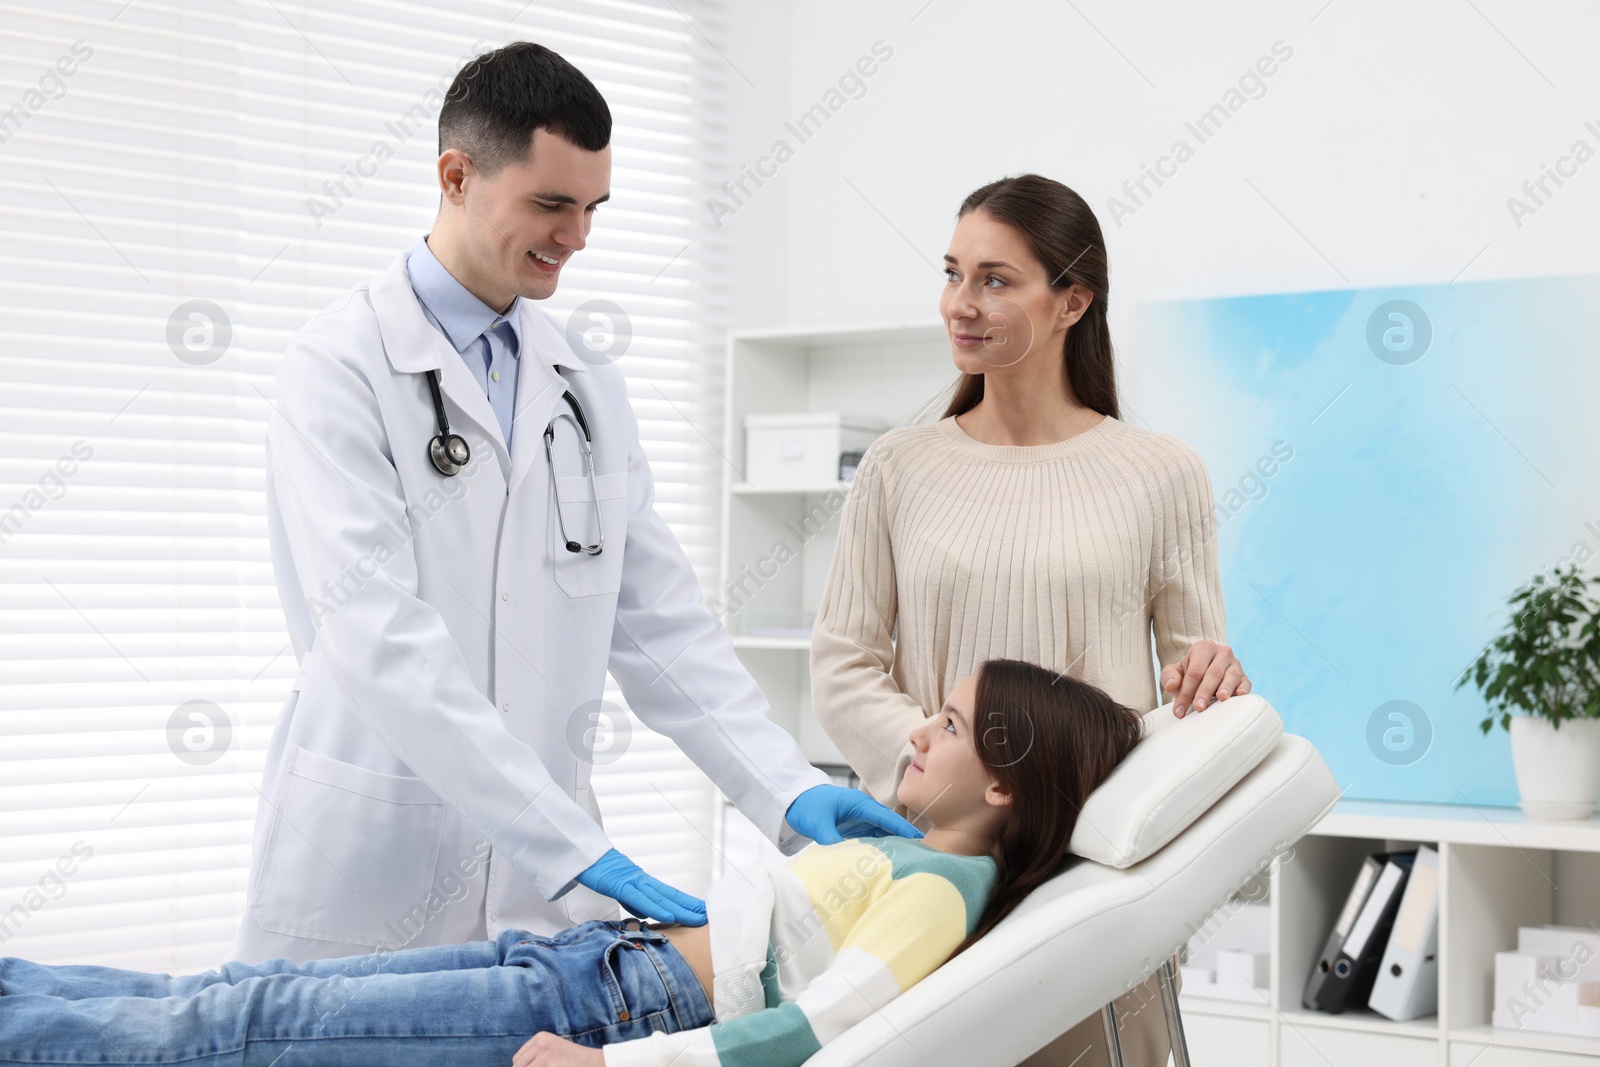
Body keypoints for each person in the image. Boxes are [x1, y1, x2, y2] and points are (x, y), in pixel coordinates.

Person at [232, 39, 916, 966]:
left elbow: (661, 625)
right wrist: (568, 844)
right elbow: (375, 637)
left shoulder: (585, 385)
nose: (578, 237)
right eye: (551, 204)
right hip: (369, 869)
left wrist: (785, 788)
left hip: (541, 901)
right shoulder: (341, 364)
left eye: (593, 208)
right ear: (456, 175)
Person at [0, 659, 1144, 1067]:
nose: (914, 732)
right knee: (246, 997)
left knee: (255, 1024)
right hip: (597, 958)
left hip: (618, 1003)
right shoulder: (919, 858)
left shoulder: (945, 888)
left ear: (1001, 783)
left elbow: (829, 1029)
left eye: (944, 724)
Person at [810, 173, 1254, 1067]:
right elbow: (844, 664)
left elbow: (1191, 692)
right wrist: (952, 783)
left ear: (1072, 302)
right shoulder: (899, 466)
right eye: (952, 273)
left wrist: (1218, 677)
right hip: (933, 868)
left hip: (1086, 881)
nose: (960, 305)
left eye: (996, 280)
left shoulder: (1162, 473)